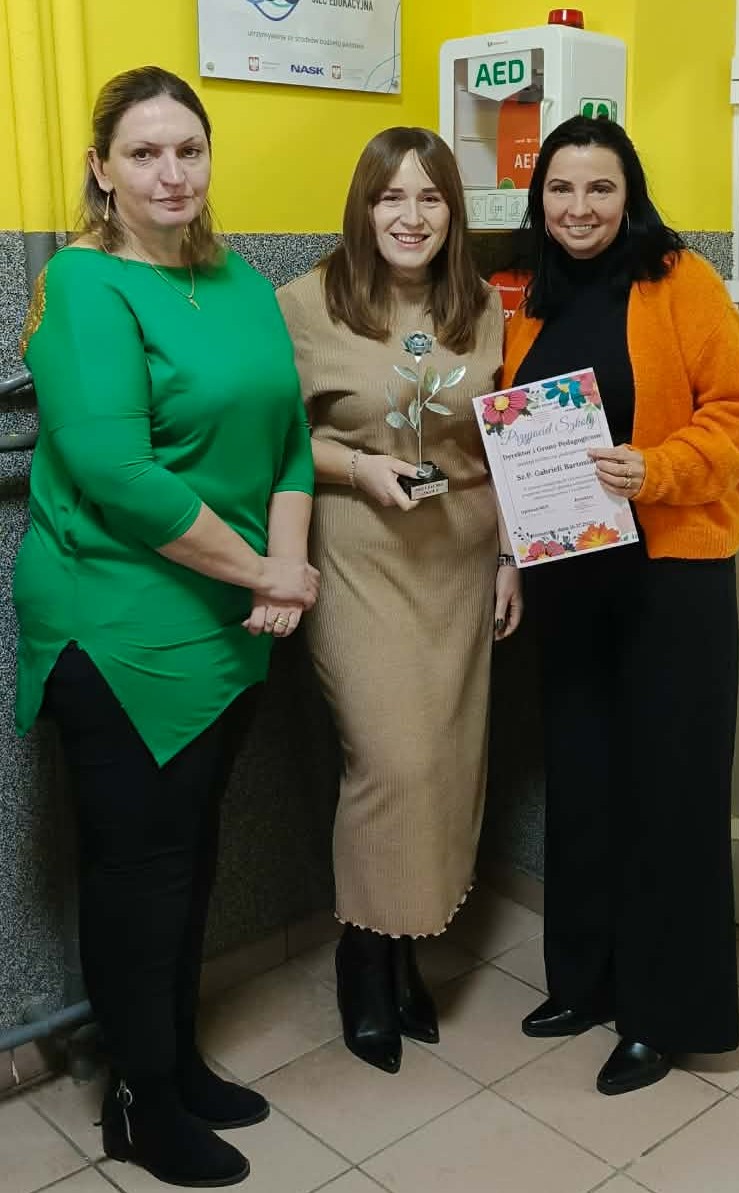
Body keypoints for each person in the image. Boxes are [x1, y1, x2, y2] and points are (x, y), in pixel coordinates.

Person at [14, 66, 318, 1187]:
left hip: (230, 614)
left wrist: (283, 571)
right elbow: (116, 472)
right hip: (118, 624)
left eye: (188, 148)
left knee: (188, 856)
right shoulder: (85, 283)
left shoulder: (239, 280)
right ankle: (138, 1101)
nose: (171, 173)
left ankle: (174, 1060)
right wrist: (267, 571)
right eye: (143, 153)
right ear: (102, 169)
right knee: (138, 870)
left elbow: (290, 440)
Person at [502, 114, 739, 1095]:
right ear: (539, 199)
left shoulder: (680, 280)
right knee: (583, 784)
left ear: (630, 197)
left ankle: (665, 1015)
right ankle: (585, 980)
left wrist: (655, 468)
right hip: (572, 578)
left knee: (671, 795)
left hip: (671, 581)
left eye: (600, 188)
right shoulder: (527, 296)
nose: (578, 207)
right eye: (560, 189)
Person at [277, 126, 522, 1075]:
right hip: (360, 558)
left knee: (449, 762)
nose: (410, 217)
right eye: (391, 197)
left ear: (453, 212)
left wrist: (511, 556)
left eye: (430, 197)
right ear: (363, 206)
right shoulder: (305, 304)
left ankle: (404, 947)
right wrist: (355, 467)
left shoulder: (483, 307)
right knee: (392, 760)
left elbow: (502, 441)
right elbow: (271, 443)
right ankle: (363, 957)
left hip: (460, 559)